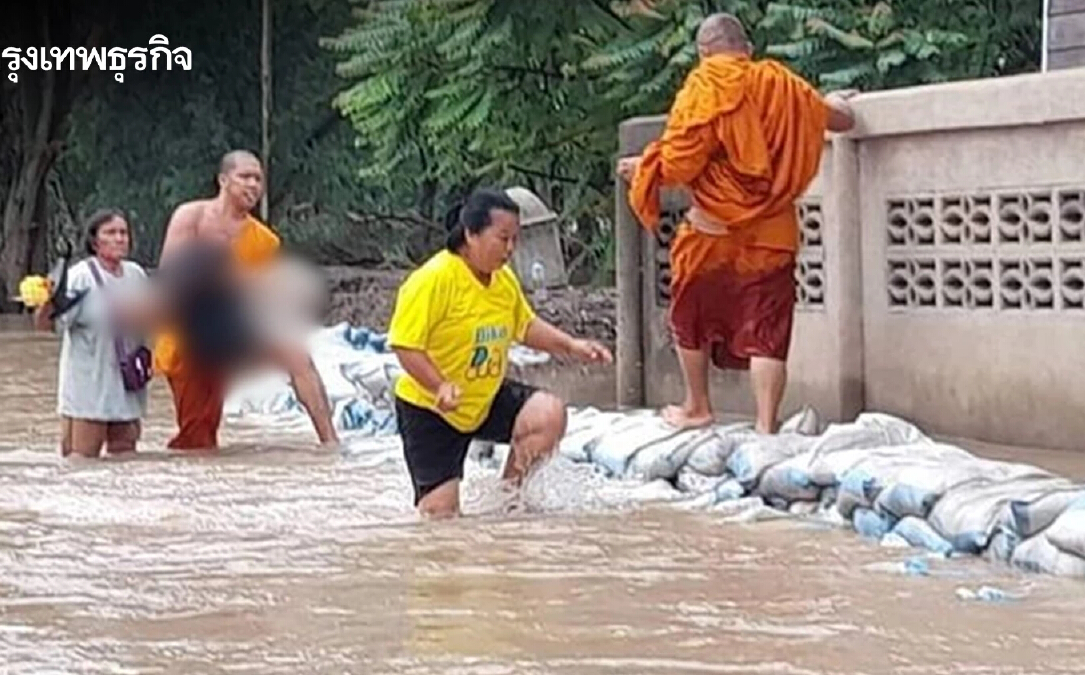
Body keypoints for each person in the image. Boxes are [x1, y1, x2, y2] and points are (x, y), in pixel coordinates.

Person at [616, 13, 856, 434]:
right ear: (747, 49)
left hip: (712, 229)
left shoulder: (704, 86)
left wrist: (643, 167)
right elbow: (840, 119)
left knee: (689, 314)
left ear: (703, 53)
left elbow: (677, 163)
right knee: (768, 330)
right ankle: (766, 424)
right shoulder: (782, 84)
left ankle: (698, 406)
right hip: (772, 232)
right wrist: (835, 101)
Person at [388, 188, 612, 519]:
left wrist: (571, 345)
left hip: (483, 397)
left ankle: (507, 501)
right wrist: (439, 386)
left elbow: (524, 326)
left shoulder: (503, 280)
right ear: (471, 234)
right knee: (440, 520)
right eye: (502, 238)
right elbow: (405, 344)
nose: (510, 250)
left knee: (548, 413)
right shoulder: (433, 279)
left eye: (515, 240)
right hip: (432, 409)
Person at [151, 150, 339, 451]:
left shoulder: (265, 240)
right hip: (189, 322)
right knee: (198, 436)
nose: (253, 185)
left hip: (235, 320)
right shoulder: (191, 217)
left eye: (258, 179)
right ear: (223, 180)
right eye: (245, 177)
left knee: (296, 354)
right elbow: (172, 274)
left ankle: (330, 442)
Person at [33, 209, 150, 458]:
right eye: (110, 233)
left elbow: (152, 320)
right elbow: (47, 326)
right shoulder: (79, 277)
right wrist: (49, 301)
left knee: (127, 460)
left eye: (123, 233)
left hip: (127, 386)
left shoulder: (136, 275)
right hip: (89, 390)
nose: (119, 239)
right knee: (81, 461)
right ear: (95, 242)